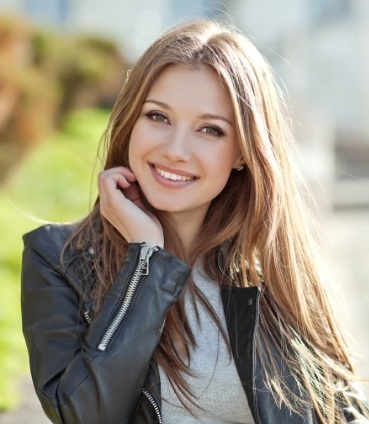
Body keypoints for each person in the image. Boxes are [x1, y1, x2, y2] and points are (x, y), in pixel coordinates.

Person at [21, 19, 369, 424]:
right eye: (158, 117)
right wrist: (146, 259)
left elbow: (342, 409)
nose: (176, 150)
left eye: (210, 129)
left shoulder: (271, 270)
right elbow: (86, 415)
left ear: (243, 152)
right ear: (130, 121)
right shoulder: (60, 260)